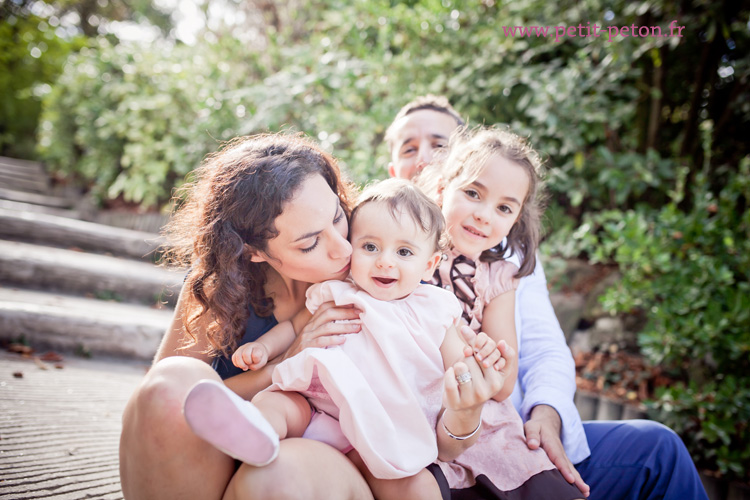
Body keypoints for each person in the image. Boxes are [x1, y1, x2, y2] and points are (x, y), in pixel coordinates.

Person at [118, 133, 505, 500]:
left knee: (284, 471)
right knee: (169, 384)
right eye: (310, 242)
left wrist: (470, 397)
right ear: (254, 251)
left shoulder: (389, 277)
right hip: (231, 451)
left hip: (333, 465)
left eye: (338, 217)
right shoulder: (219, 286)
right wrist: (288, 361)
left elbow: (439, 416)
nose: (343, 249)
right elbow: (169, 410)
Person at [388, 95, 710, 500]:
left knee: (657, 447)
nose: (485, 214)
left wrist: (547, 412)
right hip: (424, 432)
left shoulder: (506, 264)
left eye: (437, 145)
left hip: (505, 428)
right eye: (409, 148)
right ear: (439, 184)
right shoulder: (384, 253)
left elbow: (541, 352)